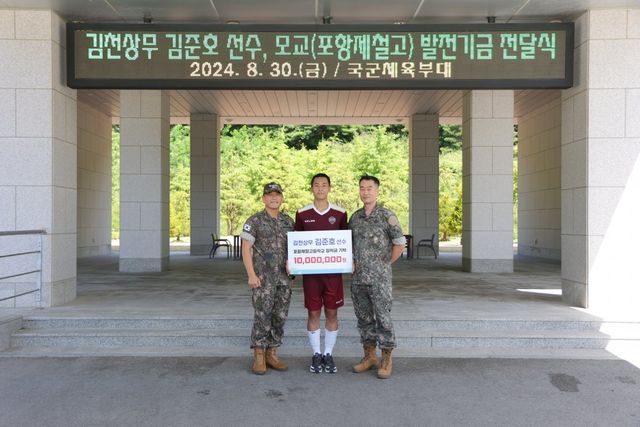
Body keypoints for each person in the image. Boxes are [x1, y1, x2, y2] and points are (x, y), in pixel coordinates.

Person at [348, 175, 405, 379]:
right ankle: (369, 356)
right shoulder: (355, 218)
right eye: (362, 188)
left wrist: (385, 264)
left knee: (383, 318)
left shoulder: (387, 216)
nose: (365, 192)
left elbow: (399, 243)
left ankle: (386, 359)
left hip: (380, 280)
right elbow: (348, 245)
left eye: (369, 188)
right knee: (364, 319)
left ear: (377, 191)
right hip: (358, 279)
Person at [294, 173, 348, 374]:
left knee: (332, 313)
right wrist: (292, 261)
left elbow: (346, 243)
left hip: (333, 276)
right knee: (313, 312)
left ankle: (328, 354)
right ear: (312, 188)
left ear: (329, 188)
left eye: (324, 185)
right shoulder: (302, 214)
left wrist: (349, 260)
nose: (320, 188)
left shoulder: (340, 213)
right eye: (316, 185)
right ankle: (316, 353)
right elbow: (297, 244)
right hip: (311, 276)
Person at [240, 182, 295, 375]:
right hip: (262, 280)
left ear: (282, 198)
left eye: (277, 195)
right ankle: (259, 355)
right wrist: (251, 275)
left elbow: (295, 248)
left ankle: (272, 353)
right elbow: (246, 249)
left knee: (280, 316)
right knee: (262, 316)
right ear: (263, 198)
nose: (273, 198)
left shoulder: (288, 222)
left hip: (284, 279)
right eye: (269, 195)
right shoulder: (254, 221)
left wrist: (294, 265)